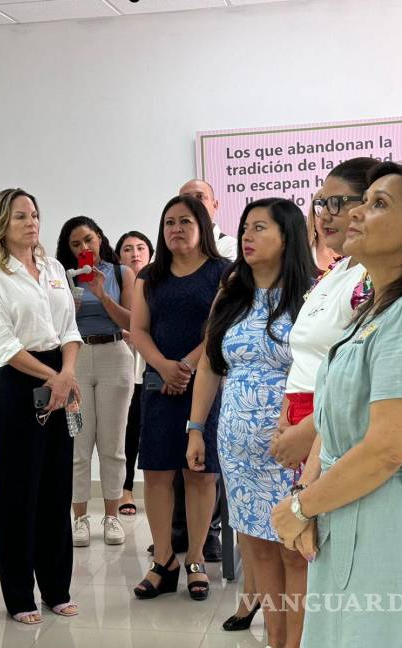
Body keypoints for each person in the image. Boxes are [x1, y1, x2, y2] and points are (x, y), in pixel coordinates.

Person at [273, 162, 402, 647]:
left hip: (394, 521)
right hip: (349, 506)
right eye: (364, 201)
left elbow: (389, 449)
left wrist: (302, 507)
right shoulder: (376, 309)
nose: (357, 213)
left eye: (379, 204)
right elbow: (332, 419)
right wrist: (310, 493)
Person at [259, 157, 377, 644]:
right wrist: (290, 414)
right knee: (299, 548)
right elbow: (310, 356)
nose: (324, 214)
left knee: (330, 555)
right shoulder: (335, 271)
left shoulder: (372, 278)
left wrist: (307, 432)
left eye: (337, 202)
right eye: (320, 203)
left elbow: (359, 375)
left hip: (334, 423)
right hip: (305, 415)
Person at [189, 197, 315, 647]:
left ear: (288, 237)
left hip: (291, 446)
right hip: (237, 444)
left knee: (294, 553)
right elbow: (209, 364)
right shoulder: (232, 291)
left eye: (260, 228)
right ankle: (274, 640)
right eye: (245, 227)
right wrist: (195, 427)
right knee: (258, 553)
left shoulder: (310, 297)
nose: (247, 235)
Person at [0, 188, 82, 625]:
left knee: (58, 485)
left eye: (35, 214)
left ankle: (57, 586)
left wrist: (67, 374)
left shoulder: (54, 269)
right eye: (21, 216)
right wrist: (51, 376)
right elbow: (2, 344)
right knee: (19, 489)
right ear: (3, 223)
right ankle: (19, 594)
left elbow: (69, 328)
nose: (31, 222)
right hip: (18, 380)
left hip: (62, 372)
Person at [131, 195, 230, 601]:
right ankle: (163, 560)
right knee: (156, 472)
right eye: (169, 222)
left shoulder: (223, 273)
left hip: (204, 386)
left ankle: (195, 561)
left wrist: (185, 367)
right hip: (159, 387)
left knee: (200, 474)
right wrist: (163, 366)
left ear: (202, 225)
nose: (176, 228)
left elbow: (219, 328)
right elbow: (138, 330)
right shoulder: (149, 277)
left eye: (185, 221)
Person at [56, 216, 135, 547]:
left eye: (88, 240)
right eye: (75, 244)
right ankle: (80, 519)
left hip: (115, 353)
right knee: (78, 443)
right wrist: (70, 306)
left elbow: (132, 320)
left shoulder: (120, 273)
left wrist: (102, 295)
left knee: (112, 444)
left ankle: (112, 515)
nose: (84, 248)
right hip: (75, 359)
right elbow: (54, 326)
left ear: (100, 238)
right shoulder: (61, 277)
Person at [175, 178, 237, 564]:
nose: (192, 204)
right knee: (178, 458)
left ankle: (210, 533)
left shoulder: (228, 254)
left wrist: (190, 361)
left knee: (208, 462)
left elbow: (219, 324)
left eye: (199, 198)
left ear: (215, 205)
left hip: (212, 366)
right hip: (172, 374)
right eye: (185, 199)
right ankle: (179, 533)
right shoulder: (163, 260)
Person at [115, 230, 154, 516]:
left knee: (146, 432)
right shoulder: (112, 286)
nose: (135, 253)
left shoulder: (158, 283)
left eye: (141, 247)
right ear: (119, 256)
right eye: (128, 249)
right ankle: (125, 490)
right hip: (119, 368)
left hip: (147, 371)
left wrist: (140, 334)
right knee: (124, 434)